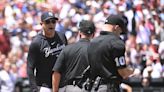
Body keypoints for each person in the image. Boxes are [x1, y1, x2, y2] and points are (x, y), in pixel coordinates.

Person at [87, 15, 135, 92]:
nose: (120, 35)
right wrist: (132, 71)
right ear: (116, 28)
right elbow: (122, 72)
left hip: (93, 87)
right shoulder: (116, 43)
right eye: (120, 32)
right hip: (109, 87)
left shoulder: (92, 42)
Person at [27, 11, 67, 92]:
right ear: (41, 24)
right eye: (47, 22)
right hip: (45, 86)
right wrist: (34, 88)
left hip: (62, 84)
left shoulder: (62, 37)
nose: (51, 24)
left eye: (53, 21)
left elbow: (67, 59)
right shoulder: (37, 43)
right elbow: (30, 67)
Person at [52, 20, 96, 92]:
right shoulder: (96, 50)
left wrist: (55, 91)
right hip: (89, 88)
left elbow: (56, 72)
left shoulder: (67, 49)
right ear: (93, 34)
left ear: (79, 33)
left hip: (70, 88)